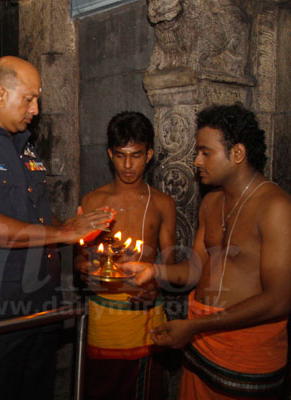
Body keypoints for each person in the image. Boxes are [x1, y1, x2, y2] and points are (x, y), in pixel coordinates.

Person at [0, 55, 115, 400]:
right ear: (0, 96)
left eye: (37, 99)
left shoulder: (23, 147)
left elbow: (35, 219)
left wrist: (77, 229)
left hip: (39, 305)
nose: (36, 108)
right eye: (29, 98)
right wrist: (63, 234)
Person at [123, 104, 291, 399]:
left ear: (237, 153)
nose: (196, 161)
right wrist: (154, 270)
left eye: (205, 152)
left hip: (246, 357)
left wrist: (195, 326)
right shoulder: (211, 203)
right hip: (201, 349)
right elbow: (196, 269)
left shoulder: (276, 207)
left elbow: (279, 300)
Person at [77, 111, 176, 399]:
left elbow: (169, 263)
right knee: (101, 389)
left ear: (149, 155)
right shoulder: (93, 201)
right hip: (104, 317)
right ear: (110, 155)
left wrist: (155, 285)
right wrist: (88, 268)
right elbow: (79, 260)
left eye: (136, 155)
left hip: (145, 317)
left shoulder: (162, 204)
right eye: (121, 155)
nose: (128, 165)